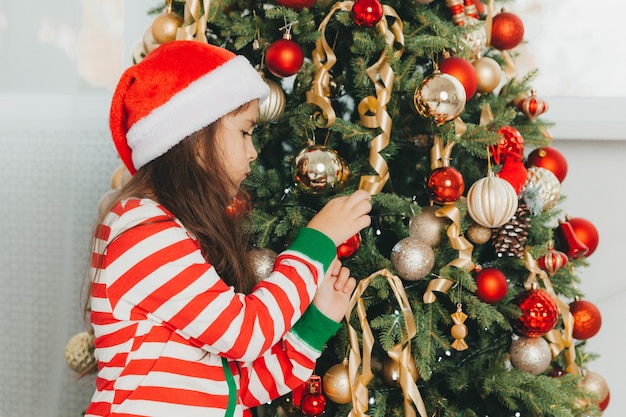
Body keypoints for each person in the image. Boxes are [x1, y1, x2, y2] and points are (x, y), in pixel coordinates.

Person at [84, 40, 372, 417]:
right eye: (244, 132)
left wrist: (315, 325)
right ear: (196, 137)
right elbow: (246, 335)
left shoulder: (173, 233)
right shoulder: (143, 234)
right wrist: (316, 242)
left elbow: (235, 387)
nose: (253, 152)